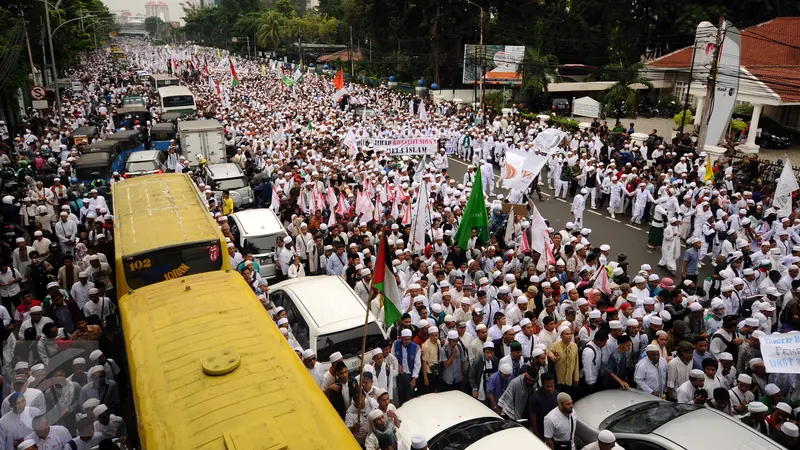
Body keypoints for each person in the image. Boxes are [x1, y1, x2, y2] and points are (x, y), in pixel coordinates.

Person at [393, 329, 420, 406]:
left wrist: (414, 378)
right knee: (400, 395)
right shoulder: (396, 344)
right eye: (405, 339)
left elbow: (417, 364)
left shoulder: (416, 347)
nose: (407, 341)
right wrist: (398, 364)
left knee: (409, 397)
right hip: (400, 375)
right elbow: (392, 358)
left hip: (410, 376)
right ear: (401, 338)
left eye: (409, 339)